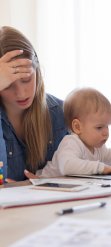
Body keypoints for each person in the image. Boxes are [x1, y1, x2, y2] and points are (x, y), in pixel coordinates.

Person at [0, 26, 68, 183]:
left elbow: (92, 168)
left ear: (37, 71)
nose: (21, 93)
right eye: (8, 85)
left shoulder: (60, 112)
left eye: (26, 79)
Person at [37, 88, 111, 178]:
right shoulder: (71, 142)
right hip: (44, 183)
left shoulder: (99, 148)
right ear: (77, 127)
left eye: (107, 126)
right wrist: (101, 168)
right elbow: (67, 166)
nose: (106, 132)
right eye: (99, 127)